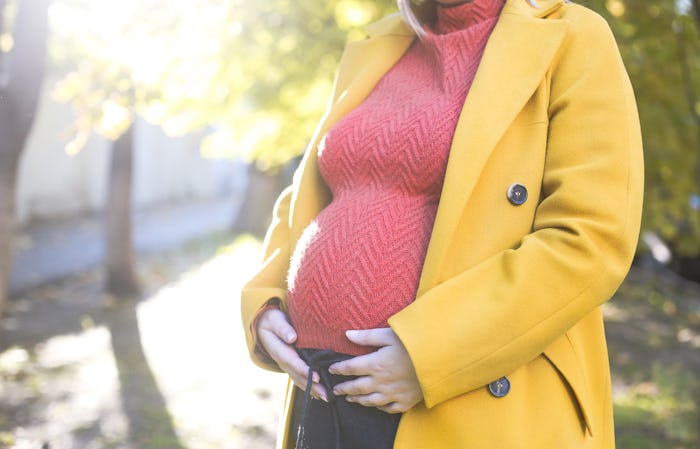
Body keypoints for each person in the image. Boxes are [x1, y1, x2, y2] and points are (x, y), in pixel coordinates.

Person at [240, 0, 644, 447]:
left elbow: (591, 238)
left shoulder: (575, 37)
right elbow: (309, 193)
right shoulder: (379, 42)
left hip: (462, 397)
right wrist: (264, 304)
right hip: (317, 390)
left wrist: (430, 355)